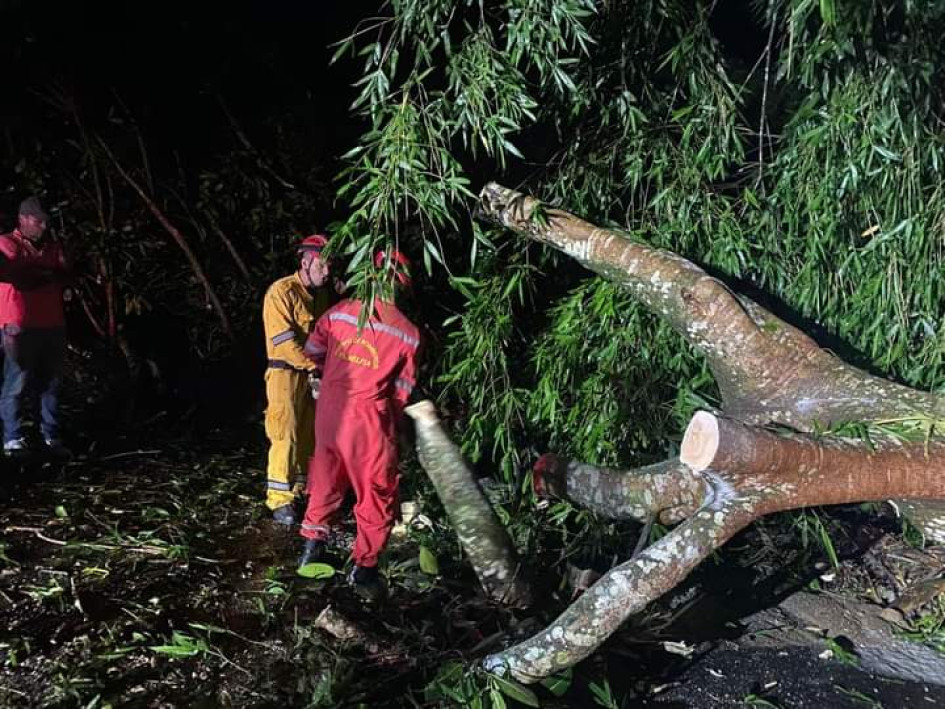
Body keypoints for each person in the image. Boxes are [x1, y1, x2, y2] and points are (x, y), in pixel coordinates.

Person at [298, 249, 420, 601]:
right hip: (369, 416)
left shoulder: (338, 312)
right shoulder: (408, 333)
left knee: (324, 477)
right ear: (401, 284)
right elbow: (401, 394)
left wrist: (334, 374)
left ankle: (311, 553)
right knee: (376, 490)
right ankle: (364, 570)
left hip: (331, 409)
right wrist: (393, 431)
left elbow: (313, 351)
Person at [262, 234, 334, 525]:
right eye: (323, 266)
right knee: (285, 434)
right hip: (285, 374)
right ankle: (278, 499)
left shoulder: (321, 296)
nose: (327, 272)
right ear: (306, 262)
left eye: (331, 266)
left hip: (312, 374)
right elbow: (283, 342)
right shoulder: (282, 292)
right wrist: (315, 367)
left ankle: (300, 489)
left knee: (309, 434)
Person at [0, 197, 72, 457]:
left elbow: (66, 274)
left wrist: (44, 274)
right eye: (37, 220)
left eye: (45, 220)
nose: (43, 225)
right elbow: (20, 278)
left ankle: (50, 435)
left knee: (51, 383)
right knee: (16, 381)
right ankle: (13, 438)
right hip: (17, 325)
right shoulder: (7, 243)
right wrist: (47, 274)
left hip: (53, 323)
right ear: (22, 218)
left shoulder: (52, 246)